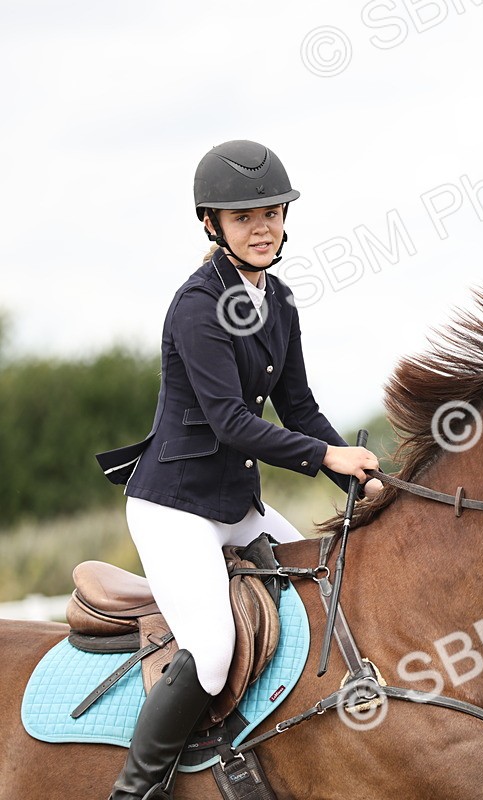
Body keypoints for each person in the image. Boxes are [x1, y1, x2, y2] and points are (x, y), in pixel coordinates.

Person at [95, 139, 381, 800]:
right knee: (215, 646)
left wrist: (360, 480)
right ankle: (134, 791)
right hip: (175, 508)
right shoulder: (197, 306)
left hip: (235, 505)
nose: (262, 227)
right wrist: (325, 457)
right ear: (212, 225)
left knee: (332, 587)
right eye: (244, 216)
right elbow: (228, 421)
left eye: (271, 213)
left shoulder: (277, 301)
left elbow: (300, 408)